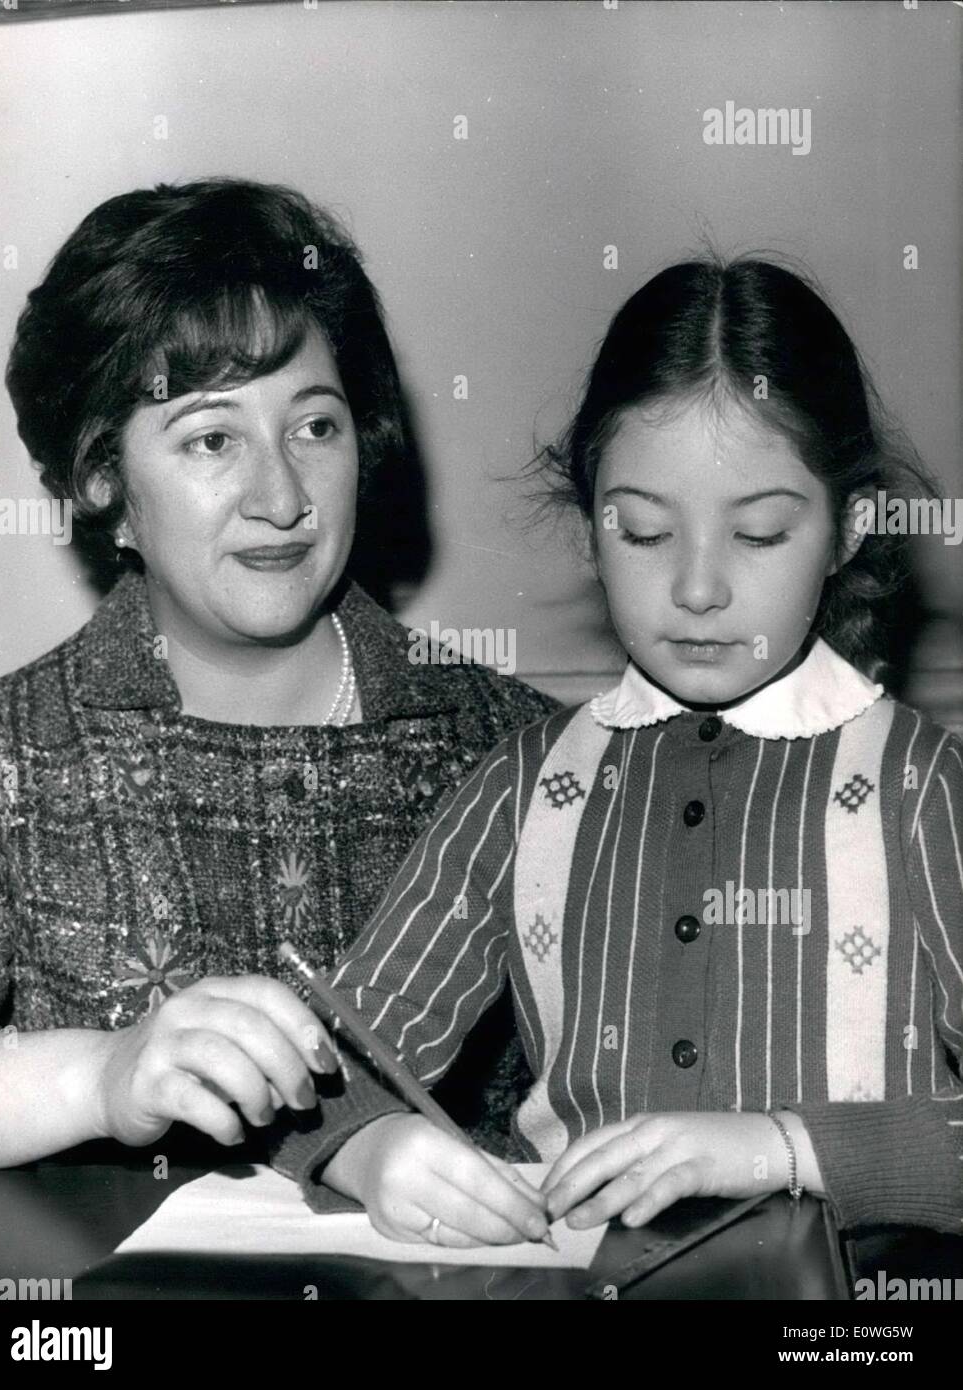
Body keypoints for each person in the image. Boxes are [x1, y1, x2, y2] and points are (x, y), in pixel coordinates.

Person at [270, 256, 963, 1243]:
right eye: (642, 532)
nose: (697, 589)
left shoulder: (921, 786)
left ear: (850, 530)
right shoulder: (522, 786)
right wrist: (372, 1150)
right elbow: (332, 1062)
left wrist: (783, 1146)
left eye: (760, 534)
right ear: (591, 526)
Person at [0, 178, 555, 1169]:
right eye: (212, 439)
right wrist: (102, 1077)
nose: (281, 499)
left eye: (315, 427)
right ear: (103, 476)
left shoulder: (524, 752)